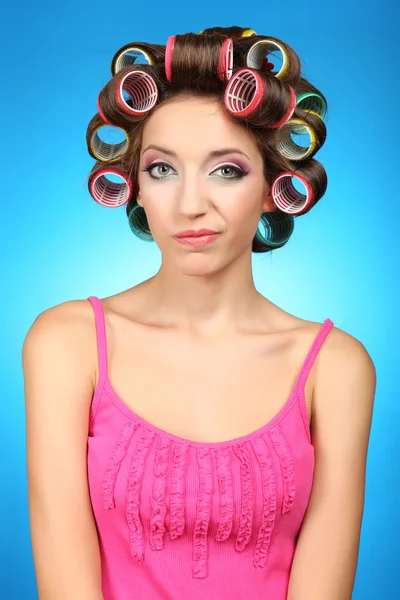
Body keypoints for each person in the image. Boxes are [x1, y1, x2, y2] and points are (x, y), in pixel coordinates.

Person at [22, 25, 376, 600]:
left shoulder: (336, 368)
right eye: (163, 169)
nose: (190, 204)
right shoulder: (67, 344)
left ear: (272, 185)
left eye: (226, 170)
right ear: (134, 185)